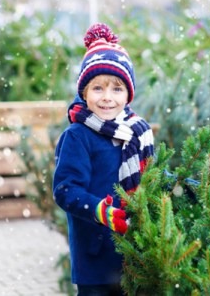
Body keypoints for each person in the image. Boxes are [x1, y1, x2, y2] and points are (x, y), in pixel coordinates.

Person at [53, 23, 154, 296]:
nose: (107, 97)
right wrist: (101, 211)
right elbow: (65, 189)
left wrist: (187, 184)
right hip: (95, 257)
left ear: (128, 95)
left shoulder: (136, 133)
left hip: (135, 255)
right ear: (84, 93)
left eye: (117, 88)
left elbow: (151, 178)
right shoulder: (78, 136)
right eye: (98, 88)